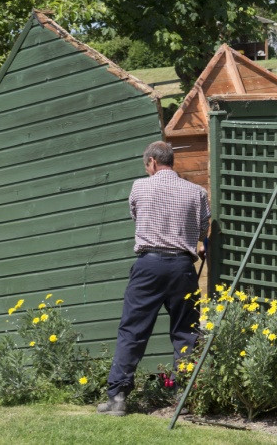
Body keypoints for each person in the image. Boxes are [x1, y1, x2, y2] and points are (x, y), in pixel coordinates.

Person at [97, 141, 210, 416]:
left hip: (148, 265)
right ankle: (183, 399)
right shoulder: (197, 192)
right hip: (182, 266)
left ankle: (118, 398)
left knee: (133, 330)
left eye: (146, 165)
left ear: (152, 163)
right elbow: (204, 229)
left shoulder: (140, 187)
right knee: (186, 332)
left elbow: (137, 216)